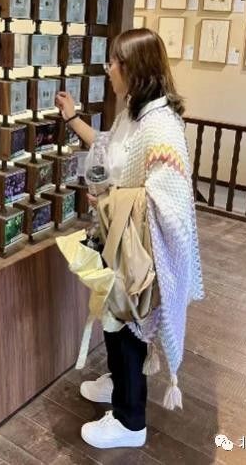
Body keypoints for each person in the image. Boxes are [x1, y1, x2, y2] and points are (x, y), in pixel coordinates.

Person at [55, 28, 204, 450]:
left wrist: (111, 198)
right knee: (116, 317)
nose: (108, 69)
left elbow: (170, 200)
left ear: (134, 69)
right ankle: (118, 383)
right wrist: (72, 118)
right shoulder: (135, 114)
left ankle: (130, 420)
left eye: (114, 62)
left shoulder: (160, 127)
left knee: (128, 323)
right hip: (120, 239)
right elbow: (108, 149)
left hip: (139, 250)